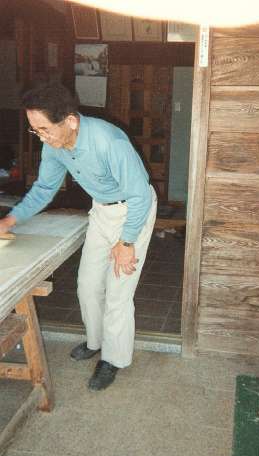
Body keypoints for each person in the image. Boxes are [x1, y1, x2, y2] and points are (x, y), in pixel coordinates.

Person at [0, 83, 157, 391]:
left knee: (117, 292)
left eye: (44, 129)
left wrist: (126, 243)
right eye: (35, 130)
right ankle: (97, 342)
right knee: (86, 284)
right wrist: (10, 219)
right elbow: (45, 189)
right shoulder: (55, 146)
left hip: (135, 212)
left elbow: (140, 195)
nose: (42, 137)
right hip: (102, 211)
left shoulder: (108, 141)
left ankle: (114, 359)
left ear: (70, 121)